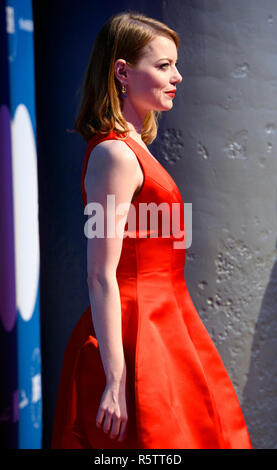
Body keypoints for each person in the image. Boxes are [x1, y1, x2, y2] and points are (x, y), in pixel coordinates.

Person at [51, 11, 252, 449]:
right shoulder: (115, 155)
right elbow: (100, 274)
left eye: (175, 64)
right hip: (135, 333)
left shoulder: (135, 148)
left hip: (166, 324)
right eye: (163, 66)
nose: (177, 76)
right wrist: (116, 378)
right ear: (122, 72)